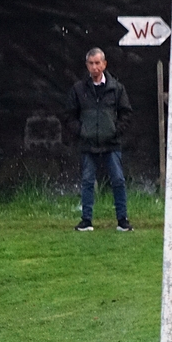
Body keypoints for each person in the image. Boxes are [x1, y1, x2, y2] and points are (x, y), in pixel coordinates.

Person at [67, 47, 133, 231]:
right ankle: (86, 220)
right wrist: (82, 131)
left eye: (97, 63)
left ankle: (122, 220)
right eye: (91, 63)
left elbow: (126, 113)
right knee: (87, 181)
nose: (94, 67)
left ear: (104, 64)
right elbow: (69, 115)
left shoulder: (117, 88)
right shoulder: (78, 89)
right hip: (88, 144)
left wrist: (115, 131)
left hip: (111, 143)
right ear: (86, 65)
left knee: (118, 180)